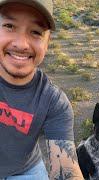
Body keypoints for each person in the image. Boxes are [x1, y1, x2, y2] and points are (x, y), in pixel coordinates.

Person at [0, 0, 83, 179]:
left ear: (47, 43)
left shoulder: (54, 102)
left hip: (26, 171)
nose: (21, 44)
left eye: (36, 32)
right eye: (9, 26)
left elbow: (66, 170)